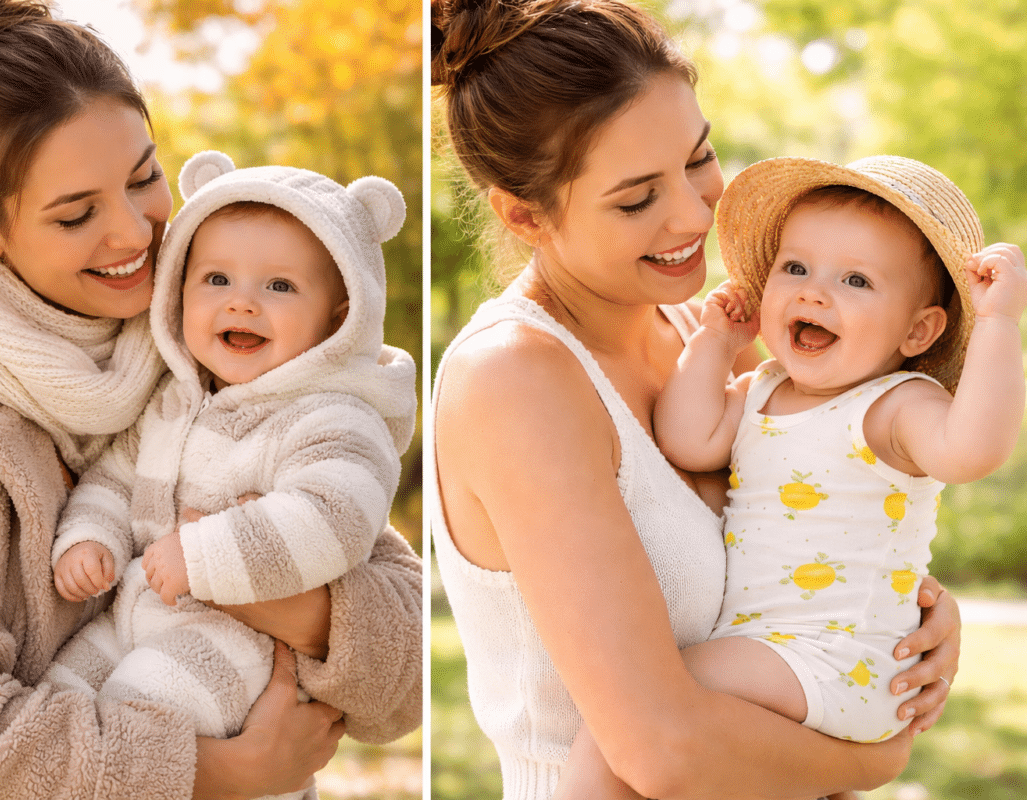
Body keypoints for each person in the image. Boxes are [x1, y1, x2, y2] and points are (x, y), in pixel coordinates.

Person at [0, 1, 421, 798]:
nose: (136, 235)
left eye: (144, 179)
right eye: (78, 214)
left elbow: (405, 667)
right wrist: (219, 773)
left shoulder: (209, 335)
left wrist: (289, 600)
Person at [429, 1, 961, 798]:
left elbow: (817, 529)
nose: (692, 212)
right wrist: (879, 756)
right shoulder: (517, 378)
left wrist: (908, 614)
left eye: (699, 158)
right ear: (524, 213)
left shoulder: (715, 335)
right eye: (637, 198)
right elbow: (662, 750)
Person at [47, 151, 417, 774]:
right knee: (58, 705)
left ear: (340, 314)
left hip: (239, 648)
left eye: (279, 286)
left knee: (138, 711)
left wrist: (204, 555)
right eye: (217, 279)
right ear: (179, 289)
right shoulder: (175, 401)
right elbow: (115, 476)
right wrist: (89, 537)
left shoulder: (334, 416)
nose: (242, 303)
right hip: (135, 614)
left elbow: (335, 516)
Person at [652, 156, 1025, 744]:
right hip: (765, 653)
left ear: (917, 331)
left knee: (647, 695)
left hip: (842, 660)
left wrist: (999, 323)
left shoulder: (895, 406)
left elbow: (971, 451)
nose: (814, 292)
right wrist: (714, 342)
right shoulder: (761, 389)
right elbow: (686, 440)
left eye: (856, 281)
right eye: (796, 267)